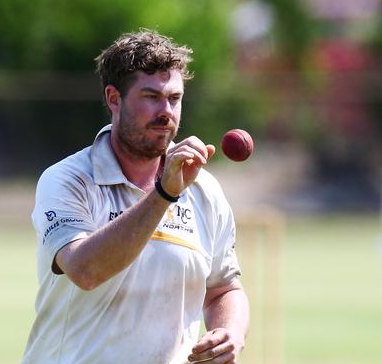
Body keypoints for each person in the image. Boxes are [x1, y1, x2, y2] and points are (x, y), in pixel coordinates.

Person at [21, 30, 250, 364]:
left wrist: (230, 333)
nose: (166, 111)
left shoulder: (205, 191)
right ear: (114, 99)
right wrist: (164, 194)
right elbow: (86, 270)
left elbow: (224, 289)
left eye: (174, 98)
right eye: (151, 96)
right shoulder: (67, 180)